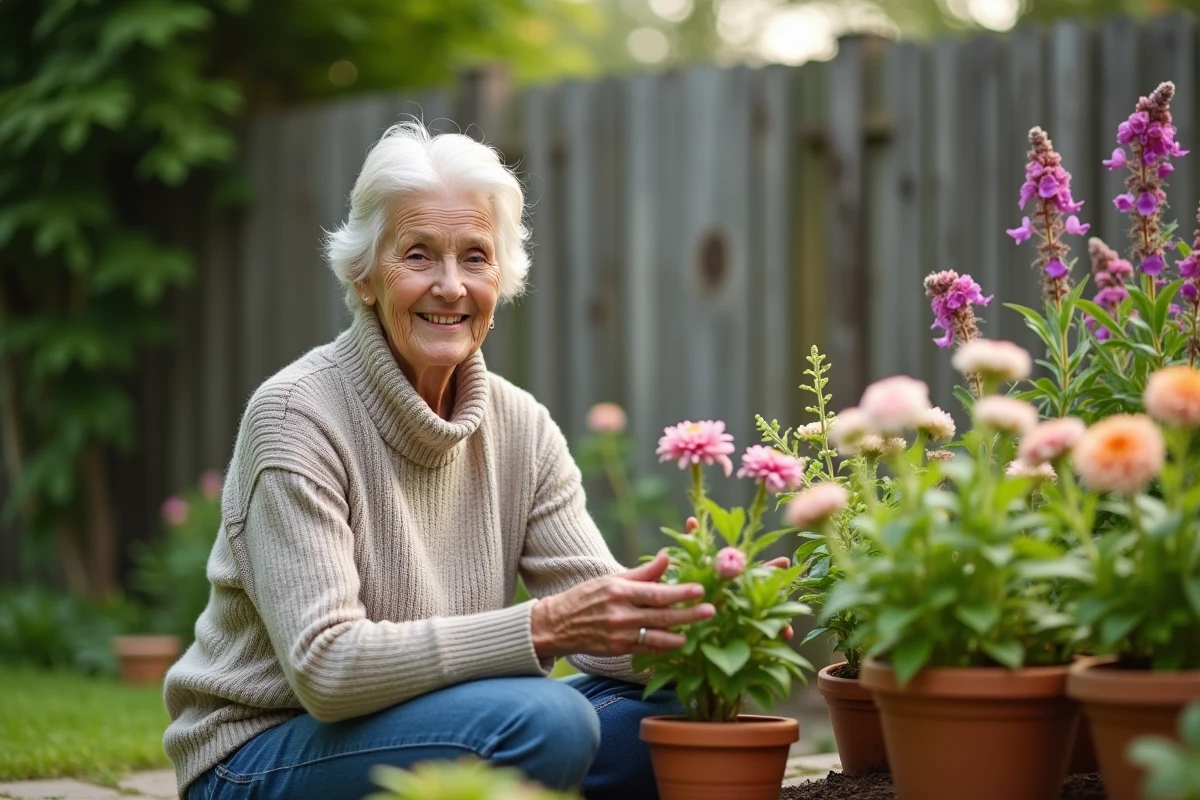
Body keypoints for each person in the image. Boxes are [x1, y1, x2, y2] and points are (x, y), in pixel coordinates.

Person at [163, 122, 722, 800]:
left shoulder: (522, 427)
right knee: (551, 722)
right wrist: (541, 625)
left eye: (476, 257)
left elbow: (599, 634)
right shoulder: (296, 415)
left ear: (502, 278)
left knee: (688, 713)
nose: (451, 286)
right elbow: (327, 670)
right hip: (260, 753)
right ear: (365, 276)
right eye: (420, 256)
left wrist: (707, 622)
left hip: (435, 726)